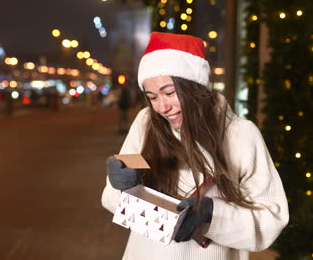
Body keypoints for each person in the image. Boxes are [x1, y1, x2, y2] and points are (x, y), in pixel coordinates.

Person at [101, 32, 289, 260]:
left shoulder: (240, 134)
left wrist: (212, 216)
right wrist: (121, 186)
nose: (162, 107)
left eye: (169, 93)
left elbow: (270, 222)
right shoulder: (146, 123)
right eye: (152, 97)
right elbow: (112, 201)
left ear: (194, 86)